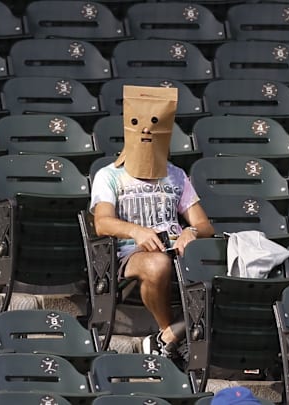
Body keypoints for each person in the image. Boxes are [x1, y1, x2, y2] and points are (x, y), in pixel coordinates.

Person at [90, 85, 214, 358]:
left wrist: (190, 232)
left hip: (177, 251)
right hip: (130, 254)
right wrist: (136, 231)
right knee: (158, 264)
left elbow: (205, 225)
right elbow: (102, 223)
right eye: (140, 128)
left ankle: (164, 339)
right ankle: (169, 336)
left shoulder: (176, 175)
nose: (147, 132)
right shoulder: (109, 175)